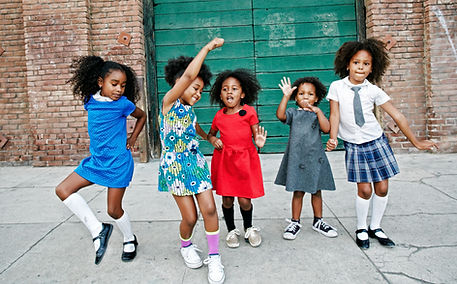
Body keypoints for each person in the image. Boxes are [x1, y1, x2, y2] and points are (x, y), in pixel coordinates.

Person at [326, 38, 438, 249]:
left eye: (366, 64)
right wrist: (333, 137)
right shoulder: (337, 87)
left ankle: (375, 226)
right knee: (365, 190)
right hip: (354, 144)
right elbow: (335, 114)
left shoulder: (373, 91)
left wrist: (416, 141)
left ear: (372, 68)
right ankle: (361, 228)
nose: (360, 67)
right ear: (347, 64)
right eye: (356, 62)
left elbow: (397, 115)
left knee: (383, 187)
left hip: (376, 142)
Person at [55, 56, 146, 264]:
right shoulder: (90, 100)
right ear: (100, 83)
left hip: (118, 164)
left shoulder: (123, 104)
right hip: (96, 162)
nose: (119, 89)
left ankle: (130, 239)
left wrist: (132, 138)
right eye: (114, 84)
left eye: (123, 85)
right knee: (63, 190)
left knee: (113, 210)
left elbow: (142, 116)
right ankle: (98, 229)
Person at [158, 38, 225, 284]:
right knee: (190, 218)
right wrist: (207, 48)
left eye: (200, 90)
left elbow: (193, 125)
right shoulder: (168, 103)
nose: (197, 93)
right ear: (178, 84)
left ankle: (215, 257)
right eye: (194, 87)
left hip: (195, 163)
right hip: (174, 167)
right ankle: (185, 245)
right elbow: (187, 77)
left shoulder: (188, 108)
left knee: (209, 209)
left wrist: (207, 136)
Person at [207, 69, 267, 248]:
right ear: (220, 94)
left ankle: (249, 227)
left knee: (244, 199)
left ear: (242, 93)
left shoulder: (249, 112)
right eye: (225, 89)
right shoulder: (219, 115)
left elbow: (256, 134)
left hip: (244, 160)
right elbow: (210, 134)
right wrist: (214, 139)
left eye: (234, 89)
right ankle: (231, 230)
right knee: (227, 199)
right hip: (225, 161)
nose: (229, 92)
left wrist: (259, 141)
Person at [275, 76, 338, 240]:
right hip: (297, 159)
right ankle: (295, 222)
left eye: (310, 94)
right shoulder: (293, 113)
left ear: (316, 98)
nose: (305, 97)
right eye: (301, 93)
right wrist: (285, 96)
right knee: (298, 191)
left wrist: (318, 112)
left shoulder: (317, 114)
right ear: (296, 97)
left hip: (314, 158)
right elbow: (280, 115)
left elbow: (326, 128)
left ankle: (318, 221)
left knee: (316, 191)